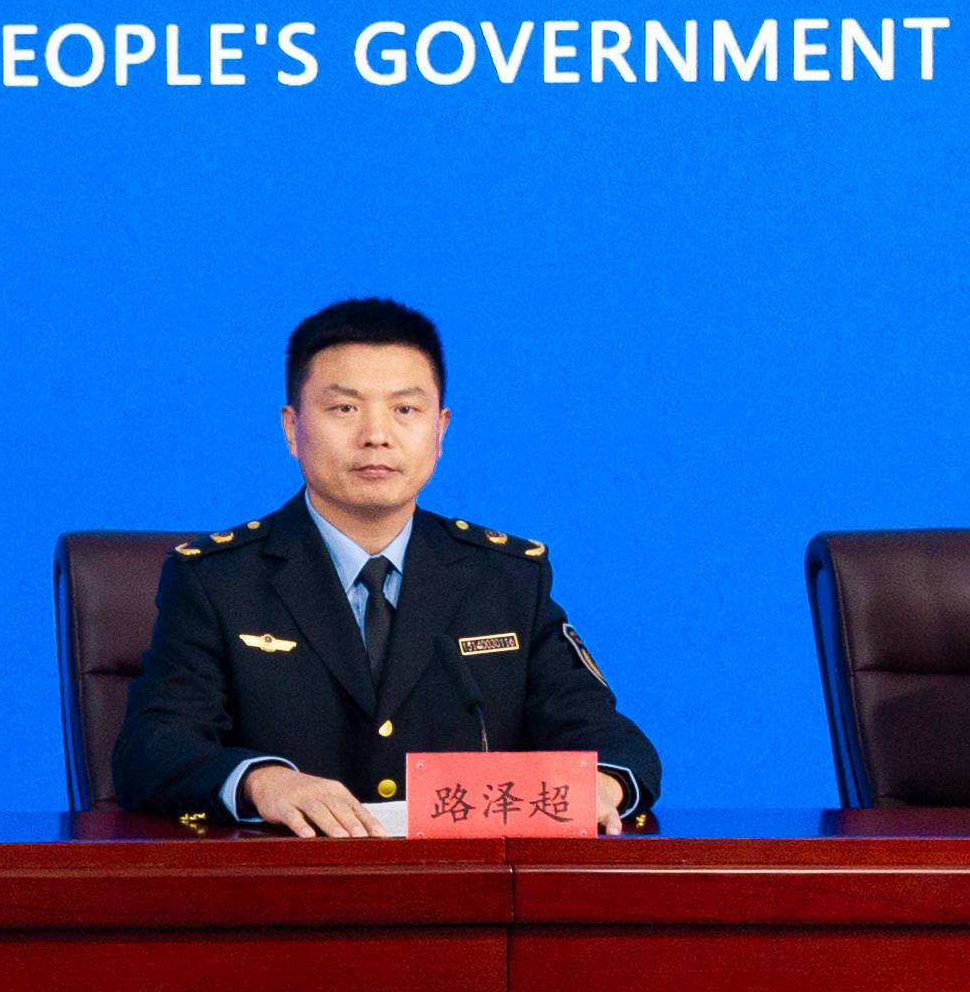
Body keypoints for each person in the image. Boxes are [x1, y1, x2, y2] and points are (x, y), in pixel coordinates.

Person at [114, 297, 656, 835]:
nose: (376, 435)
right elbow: (152, 747)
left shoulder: (506, 579)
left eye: (405, 410)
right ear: (292, 428)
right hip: (290, 879)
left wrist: (602, 784)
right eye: (344, 409)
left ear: (440, 430)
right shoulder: (216, 580)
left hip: (460, 883)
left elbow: (613, 741)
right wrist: (263, 781)